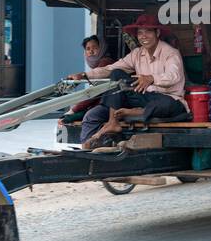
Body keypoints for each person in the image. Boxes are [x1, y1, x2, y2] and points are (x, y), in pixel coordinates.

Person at [73, 14, 188, 148]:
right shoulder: (137, 53)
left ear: (157, 33)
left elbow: (174, 76)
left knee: (169, 105)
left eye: (148, 31)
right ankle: (106, 129)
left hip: (167, 98)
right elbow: (111, 69)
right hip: (144, 97)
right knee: (115, 76)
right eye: (140, 33)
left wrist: (151, 78)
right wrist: (84, 75)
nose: (143, 36)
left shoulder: (171, 53)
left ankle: (137, 111)